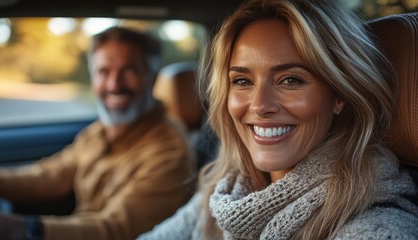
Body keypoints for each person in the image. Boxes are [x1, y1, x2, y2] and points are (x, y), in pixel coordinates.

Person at [137, 0, 418, 239]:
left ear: (339, 95)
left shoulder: (376, 226)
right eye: (242, 81)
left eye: (290, 80)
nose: (260, 106)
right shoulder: (229, 186)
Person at [0, 27, 196, 240]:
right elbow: (49, 176)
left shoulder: (170, 151)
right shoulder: (100, 131)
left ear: (152, 78)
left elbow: (117, 230)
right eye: (103, 72)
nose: (114, 84)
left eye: (129, 71)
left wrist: (19, 228)